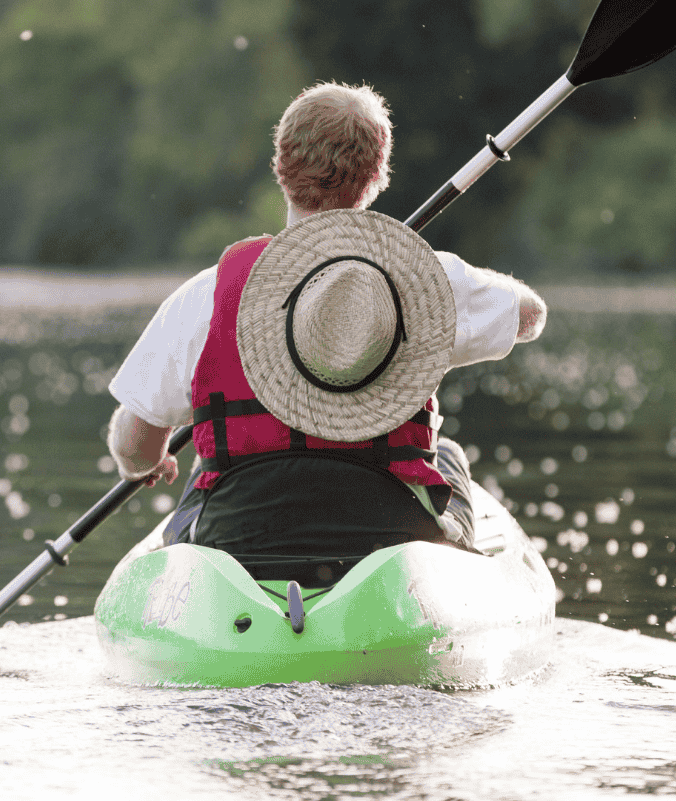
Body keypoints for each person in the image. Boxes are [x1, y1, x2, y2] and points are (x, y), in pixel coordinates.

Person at [106, 82, 545, 577]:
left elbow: (135, 437)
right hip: (389, 538)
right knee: (445, 453)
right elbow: (530, 316)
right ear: (377, 174)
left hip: (239, 541)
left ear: (280, 167)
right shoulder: (430, 281)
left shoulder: (207, 294)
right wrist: (436, 314)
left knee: (202, 470)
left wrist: (140, 467)